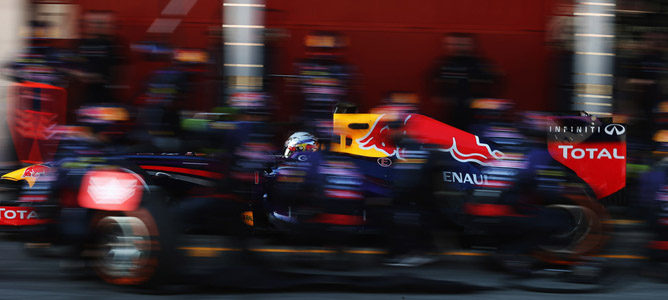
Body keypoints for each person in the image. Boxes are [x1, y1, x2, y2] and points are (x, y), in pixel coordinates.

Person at [430, 33, 499, 130]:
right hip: (450, 112)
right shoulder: (442, 64)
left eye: (461, 44)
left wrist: (484, 100)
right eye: (452, 44)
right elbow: (431, 82)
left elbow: (495, 82)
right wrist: (439, 97)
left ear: (470, 45)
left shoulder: (479, 65)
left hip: (474, 113)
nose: (456, 47)